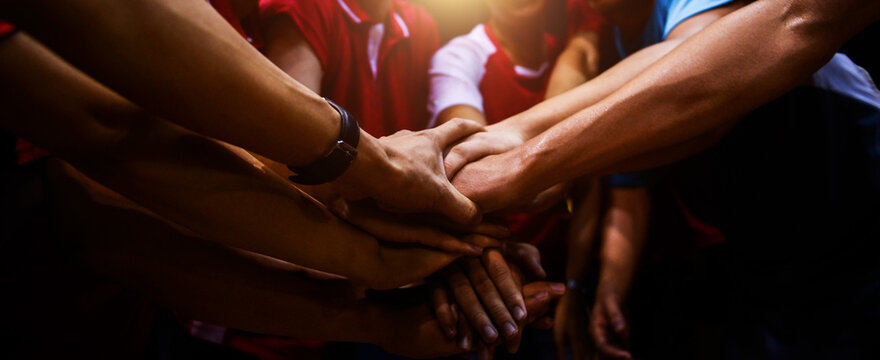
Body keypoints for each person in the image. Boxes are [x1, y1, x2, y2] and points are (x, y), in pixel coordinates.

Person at [444, 0, 880, 357]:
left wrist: (521, 155)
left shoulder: (685, 8)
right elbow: (629, 187)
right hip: (766, 257)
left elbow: (700, 74)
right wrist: (605, 291)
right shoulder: (610, 46)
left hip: (847, 207)